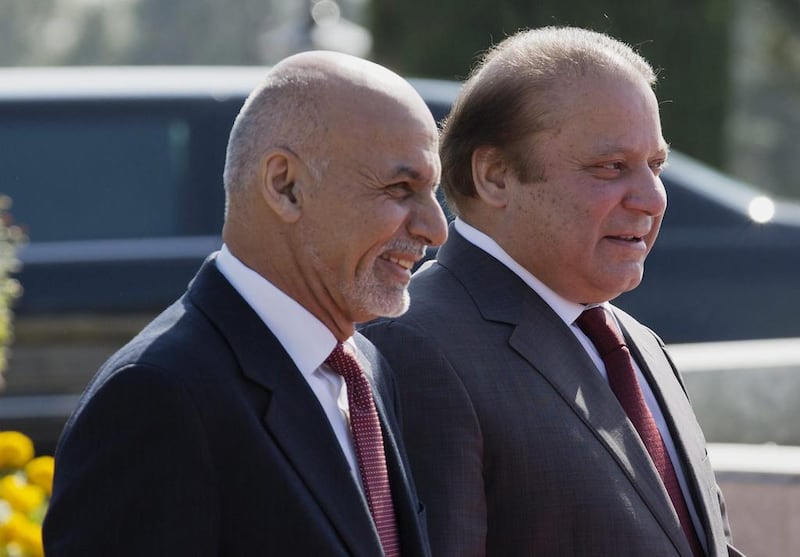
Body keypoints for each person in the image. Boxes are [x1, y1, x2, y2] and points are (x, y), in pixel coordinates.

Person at [43, 50, 447, 556]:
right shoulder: (157, 397)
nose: (434, 228)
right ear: (286, 186)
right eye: (402, 187)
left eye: (433, 192)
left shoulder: (363, 367)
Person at [361, 27, 745, 557]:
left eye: (655, 165)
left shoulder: (635, 342)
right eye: (611, 167)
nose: (653, 198)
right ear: (495, 176)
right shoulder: (417, 346)